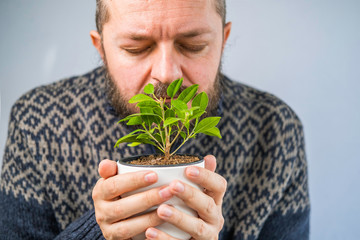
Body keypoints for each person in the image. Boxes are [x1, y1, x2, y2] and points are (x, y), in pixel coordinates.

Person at [0, 0, 310, 239]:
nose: (166, 73)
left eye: (193, 45)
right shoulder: (38, 121)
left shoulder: (275, 129)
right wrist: (98, 231)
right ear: (102, 49)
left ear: (223, 40)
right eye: (136, 48)